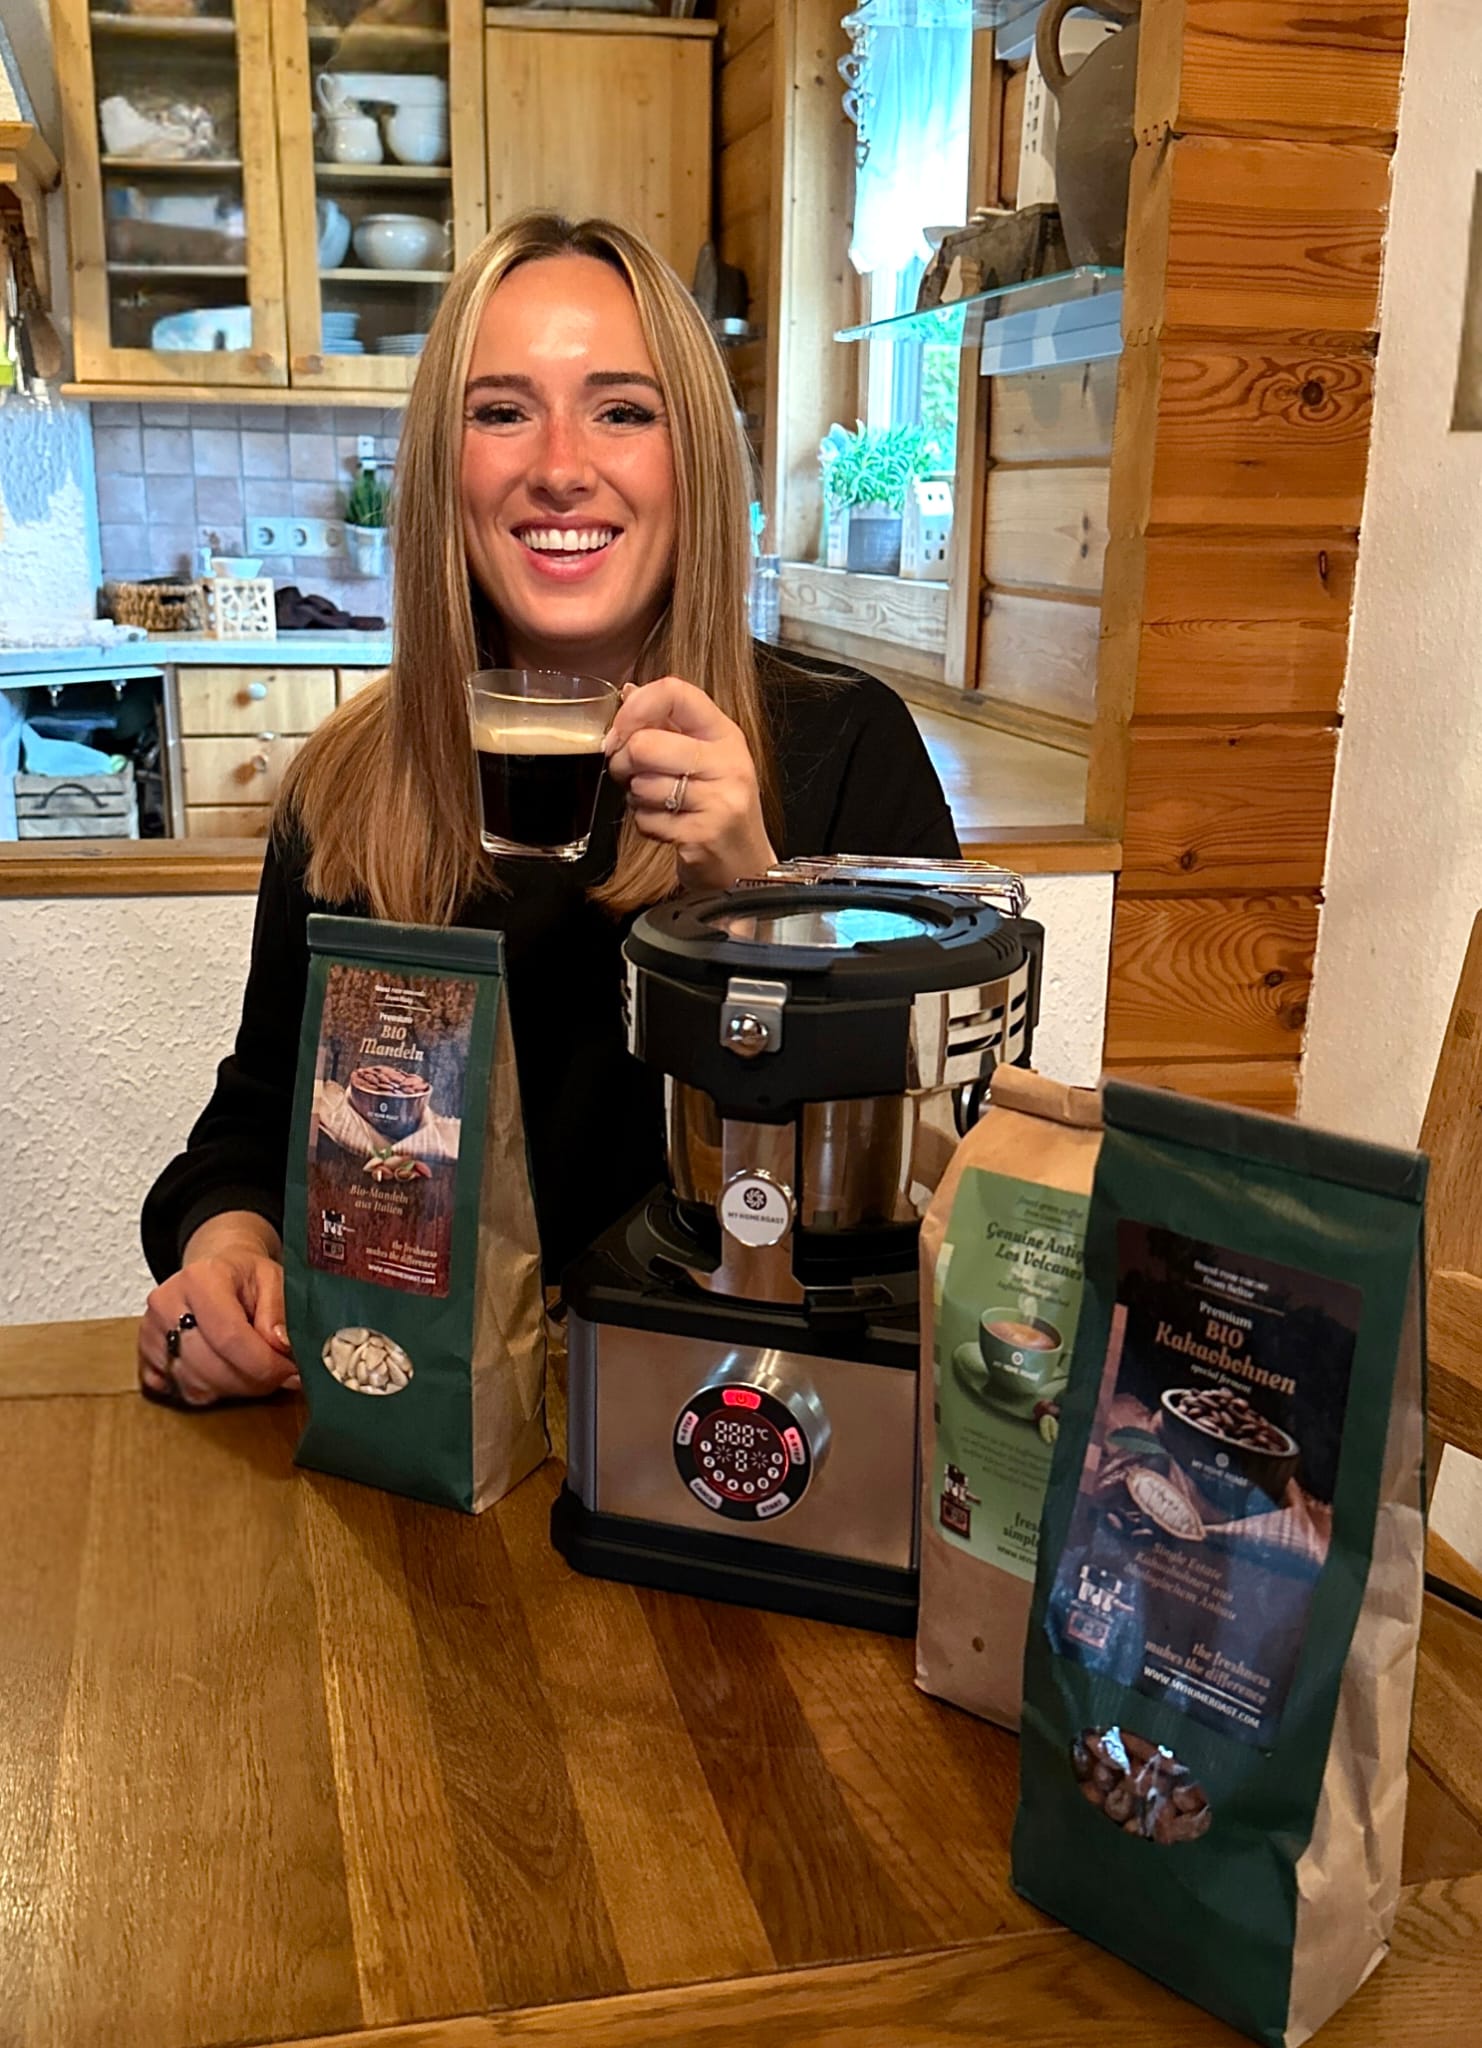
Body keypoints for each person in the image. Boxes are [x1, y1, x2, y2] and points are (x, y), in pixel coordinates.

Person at [138, 212, 959, 1408]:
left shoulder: (847, 747)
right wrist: (225, 1260)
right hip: (417, 1429)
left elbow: (936, 1179)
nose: (562, 465)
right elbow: (260, 1124)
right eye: (501, 411)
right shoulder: (350, 783)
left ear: (694, 456)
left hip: (742, 1424)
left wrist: (760, 902)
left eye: (622, 410)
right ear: (444, 464)